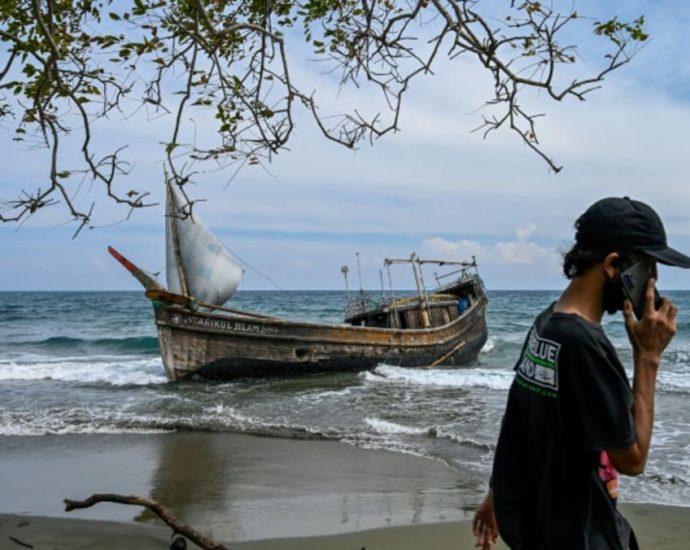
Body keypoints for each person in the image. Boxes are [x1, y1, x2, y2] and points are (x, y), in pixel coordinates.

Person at [472, 197, 690, 550]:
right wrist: (648, 357)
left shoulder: (547, 322)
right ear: (613, 265)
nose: (653, 280)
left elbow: (517, 420)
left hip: (542, 529)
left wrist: (496, 493)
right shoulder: (584, 345)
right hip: (579, 535)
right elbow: (632, 459)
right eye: (647, 265)